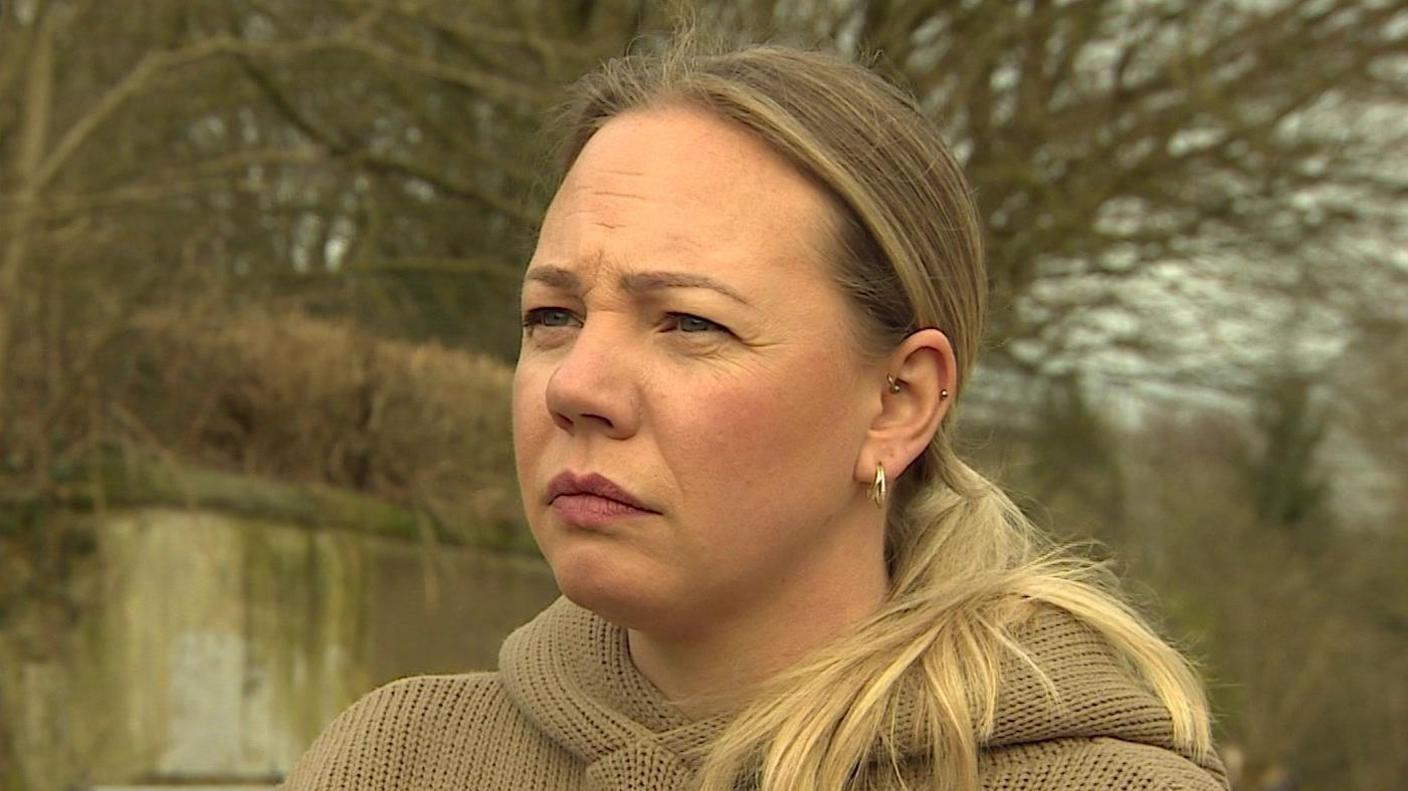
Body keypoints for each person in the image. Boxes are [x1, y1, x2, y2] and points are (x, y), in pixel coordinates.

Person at [283, 39, 1227, 791]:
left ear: (897, 401)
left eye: (690, 322)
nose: (577, 386)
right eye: (553, 316)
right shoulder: (395, 760)